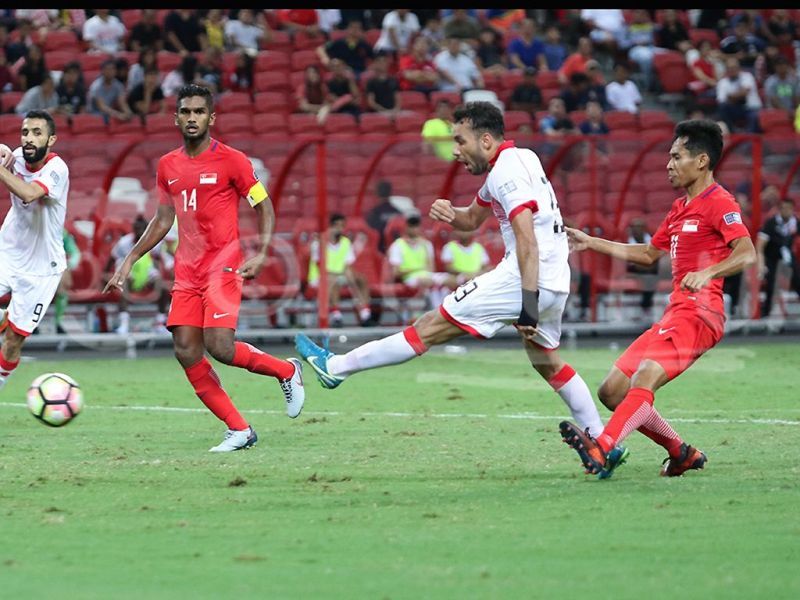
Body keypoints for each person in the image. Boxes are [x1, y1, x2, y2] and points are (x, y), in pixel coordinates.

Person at [295, 101, 629, 479]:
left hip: (522, 279)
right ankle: (603, 441)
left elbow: (525, 239)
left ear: (485, 140)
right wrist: (450, 214)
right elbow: (473, 219)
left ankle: (335, 367)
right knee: (547, 362)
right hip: (555, 280)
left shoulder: (505, 173)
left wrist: (528, 306)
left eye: (460, 140)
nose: (454, 150)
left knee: (427, 328)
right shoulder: (522, 159)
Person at [103, 84, 304, 452]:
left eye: (198, 112)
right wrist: (130, 258)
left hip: (223, 266)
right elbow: (164, 219)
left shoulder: (233, 160)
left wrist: (260, 252)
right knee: (185, 349)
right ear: (175, 117)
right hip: (187, 271)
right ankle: (239, 429)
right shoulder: (168, 165)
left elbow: (264, 205)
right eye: (185, 111)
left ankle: (287, 371)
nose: (191, 118)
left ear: (211, 118)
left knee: (220, 347)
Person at [559, 119, 756, 478]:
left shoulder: (720, 202)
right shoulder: (680, 207)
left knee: (643, 379)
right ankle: (681, 452)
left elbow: (747, 253)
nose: (668, 164)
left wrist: (709, 272)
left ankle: (603, 448)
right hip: (675, 313)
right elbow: (649, 255)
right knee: (611, 390)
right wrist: (591, 241)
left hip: (701, 314)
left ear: (701, 161)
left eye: (676, 156)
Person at [0, 111, 69, 389]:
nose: (29, 138)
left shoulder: (57, 169)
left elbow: (29, 193)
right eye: (25, 132)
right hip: (8, 252)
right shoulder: (14, 157)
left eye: (37, 133)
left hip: (43, 268)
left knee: (14, 341)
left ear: (51, 139)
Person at [107, 214, 172, 334]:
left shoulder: (154, 241)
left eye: (143, 229)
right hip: (129, 273)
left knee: (162, 287)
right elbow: (112, 258)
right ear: (134, 229)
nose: (140, 231)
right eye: (137, 229)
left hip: (147, 273)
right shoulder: (124, 242)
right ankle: (124, 324)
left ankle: (159, 322)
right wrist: (106, 275)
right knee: (122, 285)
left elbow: (162, 258)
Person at [307, 213, 374, 327]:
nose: (339, 229)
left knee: (360, 279)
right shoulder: (318, 243)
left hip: (339, 274)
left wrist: (349, 276)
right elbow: (320, 266)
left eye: (342, 226)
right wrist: (339, 274)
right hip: (320, 277)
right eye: (336, 226)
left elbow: (347, 265)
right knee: (332, 280)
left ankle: (365, 313)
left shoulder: (345, 242)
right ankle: (336, 315)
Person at [387, 213, 455, 310]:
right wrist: (417, 269)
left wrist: (423, 270)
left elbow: (431, 268)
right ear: (406, 227)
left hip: (426, 275)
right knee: (429, 281)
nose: (414, 229)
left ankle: (445, 309)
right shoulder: (397, 245)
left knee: (450, 280)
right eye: (411, 226)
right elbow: (396, 272)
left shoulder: (426, 244)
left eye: (416, 226)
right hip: (409, 278)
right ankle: (437, 311)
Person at [756, 197, 800, 318]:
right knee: (771, 283)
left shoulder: (795, 222)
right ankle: (766, 314)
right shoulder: (771, 223)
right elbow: (760, 246)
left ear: (792, 209)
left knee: (798, 280)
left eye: (789, 208)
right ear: (779, 209)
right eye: (783, 208)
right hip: (771, 257)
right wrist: (761, 265)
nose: (786, 211)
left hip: (787, 256)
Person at [625, 216, 659, 321]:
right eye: (634, 227)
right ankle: (645, 308)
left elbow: (655, 257)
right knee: (649, 275)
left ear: (644, 229)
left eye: (639, 227)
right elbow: (630, 262)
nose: (636, 229)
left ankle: (646, 307)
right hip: (633, 269)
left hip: (650, 268)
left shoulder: (651, 241)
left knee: (650, 276)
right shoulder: (627, 242)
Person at [54, 228, 81, 334]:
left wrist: (68, 264)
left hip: (53, 269)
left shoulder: (61, 232)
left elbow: (75, 253)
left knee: (64, 276)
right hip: (29, 268)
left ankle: (59, 322)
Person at [365, 179, 402, 253]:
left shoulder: (374, 213)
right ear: (390, 193)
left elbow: (369, 234)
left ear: (377, 193)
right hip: (396, 252)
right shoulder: (397, 212)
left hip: (379, 253)